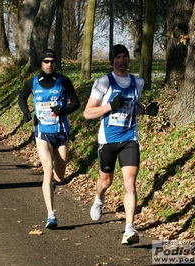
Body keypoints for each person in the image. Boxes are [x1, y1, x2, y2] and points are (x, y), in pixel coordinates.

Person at [83, 44, 159, 244]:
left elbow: (133, 106)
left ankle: (129, 228)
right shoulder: (103, 83)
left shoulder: (137, 82)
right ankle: (99, 199)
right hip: (108, 139)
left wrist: (146, 111)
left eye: (125, 56)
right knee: (106, 181)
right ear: (112, 61)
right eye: (118, 57)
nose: (122, 60)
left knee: (130, 182)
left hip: (129, 138)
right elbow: (88, 112)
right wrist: (109, 106)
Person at [18, 49, 81, 229]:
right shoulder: (33, 82)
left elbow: (76, 103)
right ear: (41, 63)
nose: (49, 64)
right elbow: (22, 97)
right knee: (48, 168)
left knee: (59, 176)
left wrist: (64, 110)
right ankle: (51, 215)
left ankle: (52, 184)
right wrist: (25, 113)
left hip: (61, 131)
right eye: (46, 61)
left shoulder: (64, 81)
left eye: (52, 61)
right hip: (42, 131)